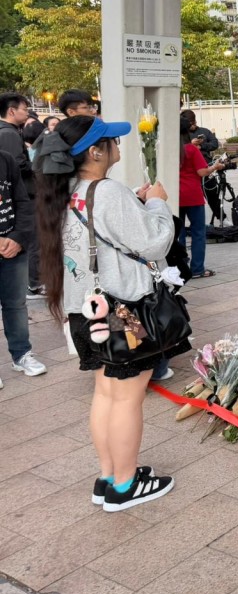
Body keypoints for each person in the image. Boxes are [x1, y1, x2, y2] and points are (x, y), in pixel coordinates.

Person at [33, 116, 175, 511]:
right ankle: (126, 487)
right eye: (111, 140)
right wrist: (158, 202)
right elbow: (154, 244)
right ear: (95, 151)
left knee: (106, 393)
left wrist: (134, 200)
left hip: (84, 313)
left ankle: (109, 475)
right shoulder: (108, 192)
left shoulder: (65, 191)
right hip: (121, 312)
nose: (118, 144)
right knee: (128, 398)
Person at [0, 148, 45, 387]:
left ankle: (21, 354)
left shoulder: (6, 159)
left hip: (13, 248)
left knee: (16, 304)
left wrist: (17, 237)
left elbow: (22, 202)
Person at [0, 93, 43, 296]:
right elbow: (17, 166)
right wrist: (36, 166)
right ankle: (34, 282)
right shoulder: (8, 134)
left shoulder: (9, 132)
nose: (27, 113)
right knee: (32, 238)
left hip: (18, 197)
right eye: (24, 109)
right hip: (22, 196)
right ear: (11, 111)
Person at [179, 116, 225, 279]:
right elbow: (202, 172)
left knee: (179, 233)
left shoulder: (167, 149)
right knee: (198, 232)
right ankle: (197, 269)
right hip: (192, 194)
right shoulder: (191, 150)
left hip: (174, 195)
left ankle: (180, 267)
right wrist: (215, 166)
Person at [181, 109, 221, 217]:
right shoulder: (182, 134)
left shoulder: (205, 131)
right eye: (190, 124)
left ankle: (221, 216)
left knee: (212, 194)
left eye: (194, 123)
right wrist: (190, 144)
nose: (193, 126)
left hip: (206, 164)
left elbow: (215, 144)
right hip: (189, 169)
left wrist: (201, 146)